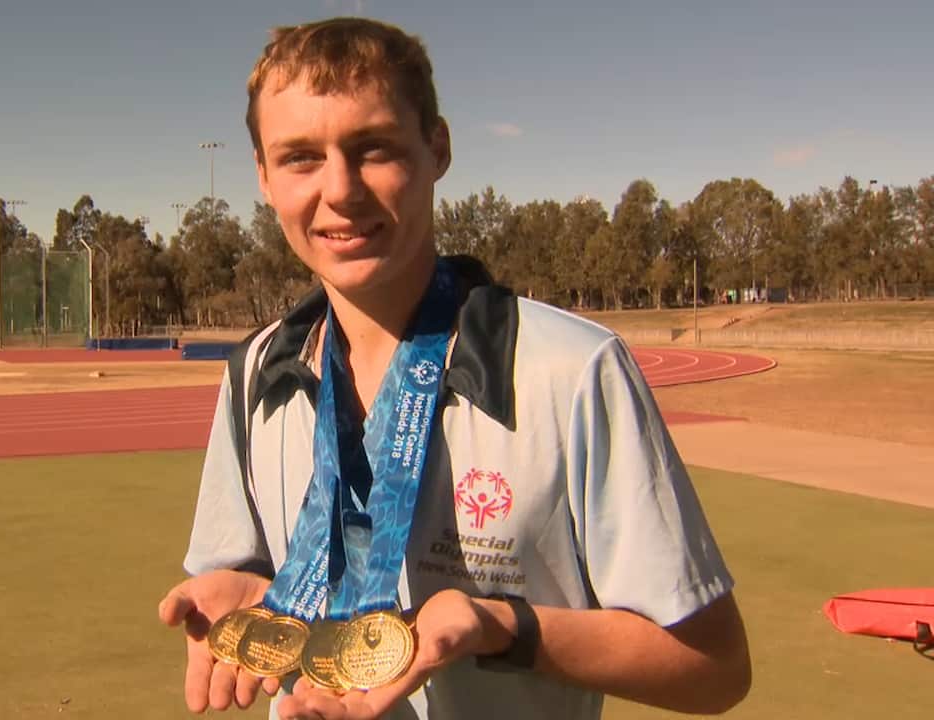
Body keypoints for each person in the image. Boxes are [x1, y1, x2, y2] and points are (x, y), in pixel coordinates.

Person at [158, 16, 750, 720]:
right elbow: (246, 577)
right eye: (300, 158)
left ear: (436, 148)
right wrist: (239, 591)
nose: (341, 190)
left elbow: (714, 669)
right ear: (263, 176)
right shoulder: (256, 373)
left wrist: (501, 627)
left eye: (373, 148)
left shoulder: (570, 371)